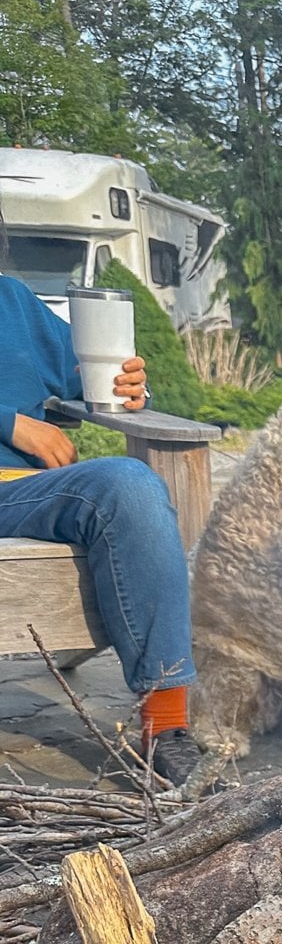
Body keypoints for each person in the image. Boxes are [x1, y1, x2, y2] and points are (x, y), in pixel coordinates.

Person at [0, 244, 200, 786]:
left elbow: (92, 373)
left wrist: (130, 385)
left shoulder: (12, 301)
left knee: (129, 485)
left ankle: (166, 729)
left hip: (22, 494)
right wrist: (11, 424)